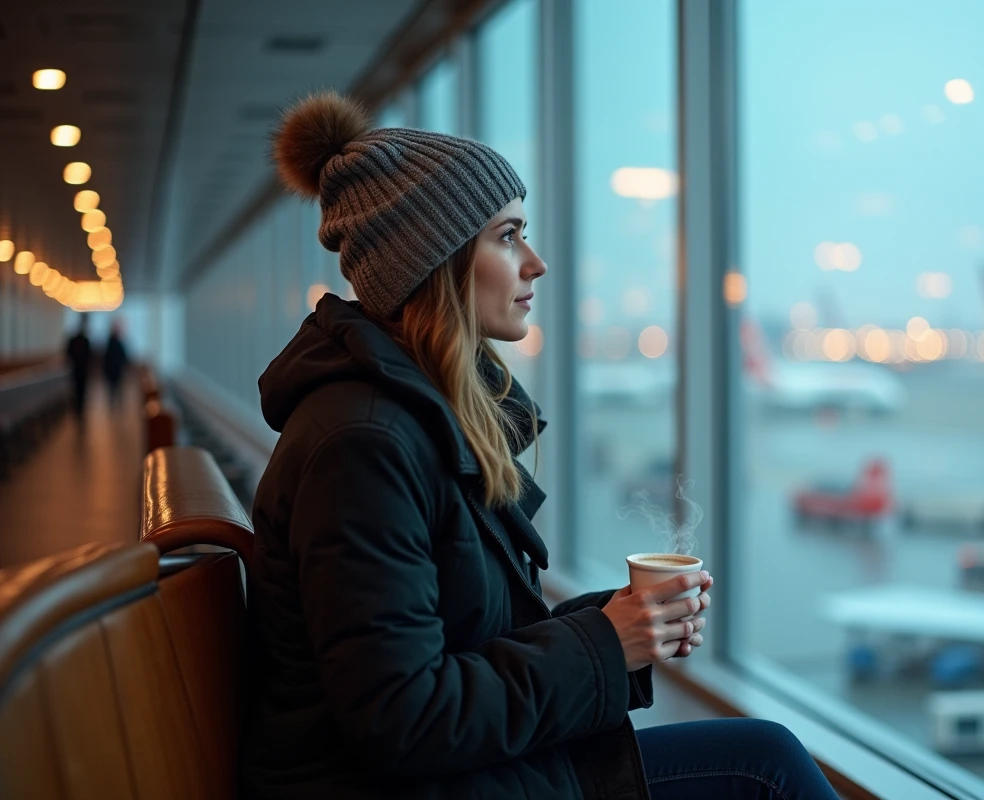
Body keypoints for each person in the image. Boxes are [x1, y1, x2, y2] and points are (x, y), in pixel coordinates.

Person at [241, 91, 839, 800]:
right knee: (765, 768)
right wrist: (607, 643)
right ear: (435, 260)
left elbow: (458, 642)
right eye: (508, 235)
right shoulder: (364, 445)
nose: (536, 263)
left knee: (764, 757)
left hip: (466, 777)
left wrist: (619, 620)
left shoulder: (408, 419)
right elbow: (402, 717)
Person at [64, 315, 91, 418]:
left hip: (79, 370)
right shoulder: (82, 340)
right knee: (78, 390)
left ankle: (79, 409)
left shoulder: (83, 340)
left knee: (79, 390)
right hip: (78, 370)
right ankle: (78, 409)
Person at [102, 319, 129, 408]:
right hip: (112, 371)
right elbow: (107, 358)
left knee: (116, 390)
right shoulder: (111, 342)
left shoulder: (117, 342)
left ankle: (117, 406)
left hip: (116, 371)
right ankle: (115, 406)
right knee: (113, 390)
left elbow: (124, 357)